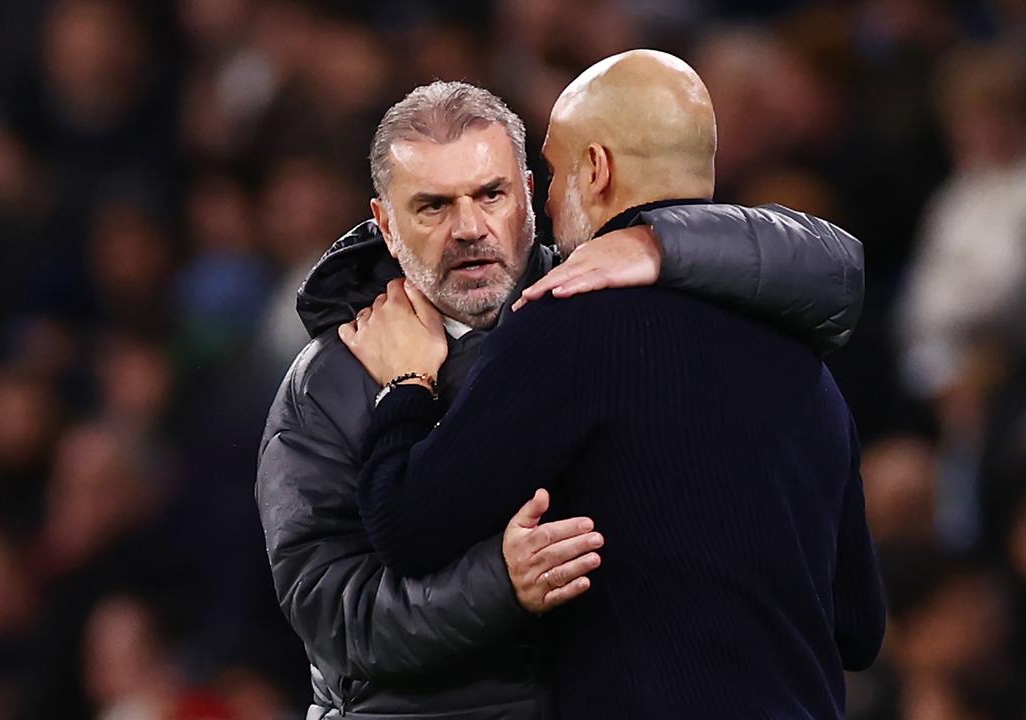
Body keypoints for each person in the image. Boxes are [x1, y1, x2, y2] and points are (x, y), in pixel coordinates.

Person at [257, 76, 866, 719]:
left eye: (491, 194)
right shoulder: (326, 383)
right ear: (384, 220)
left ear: (529, 193)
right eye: (433, 206)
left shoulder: (598, 308)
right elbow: (331, 614)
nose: (469, 228)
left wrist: (660, 242)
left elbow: (832, 269)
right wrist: (500, 583)